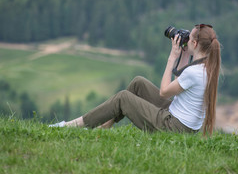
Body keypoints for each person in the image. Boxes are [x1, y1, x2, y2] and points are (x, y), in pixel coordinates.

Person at [49, 24, 221, 135]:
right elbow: (180, 82)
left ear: (196, 44)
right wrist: (183, 54)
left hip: (174, 127)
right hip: (181, 121)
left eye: (189, 39)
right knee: (138, 83)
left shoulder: (196, 72)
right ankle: (105, 126)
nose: (187, 41)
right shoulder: (206, 66)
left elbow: (164, 92)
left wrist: (172, 57)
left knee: (123, 97)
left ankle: (72, 126)